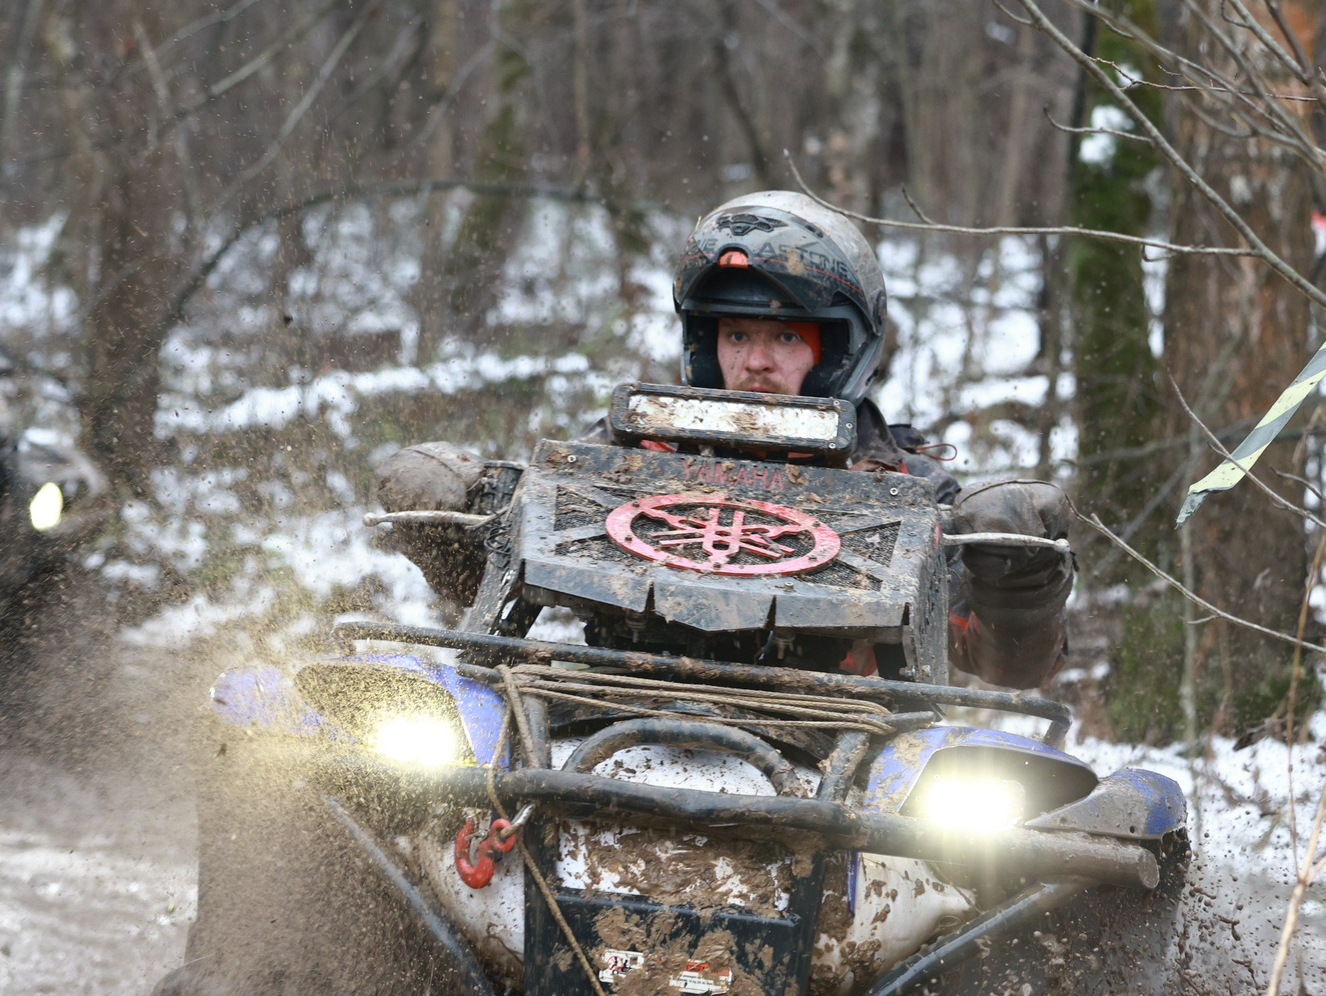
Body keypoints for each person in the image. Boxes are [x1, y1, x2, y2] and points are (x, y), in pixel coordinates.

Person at [375, 189, 1073, 689]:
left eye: (784, 337)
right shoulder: (630, 452)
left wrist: (1023, 586)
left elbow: (1005, 665)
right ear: (705, 345)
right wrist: (461, 517)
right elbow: (507, 569)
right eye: (736, 334)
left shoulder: (909, 487)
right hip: (610, 715)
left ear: (838, 350)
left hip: (847, 752)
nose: (755, 362)